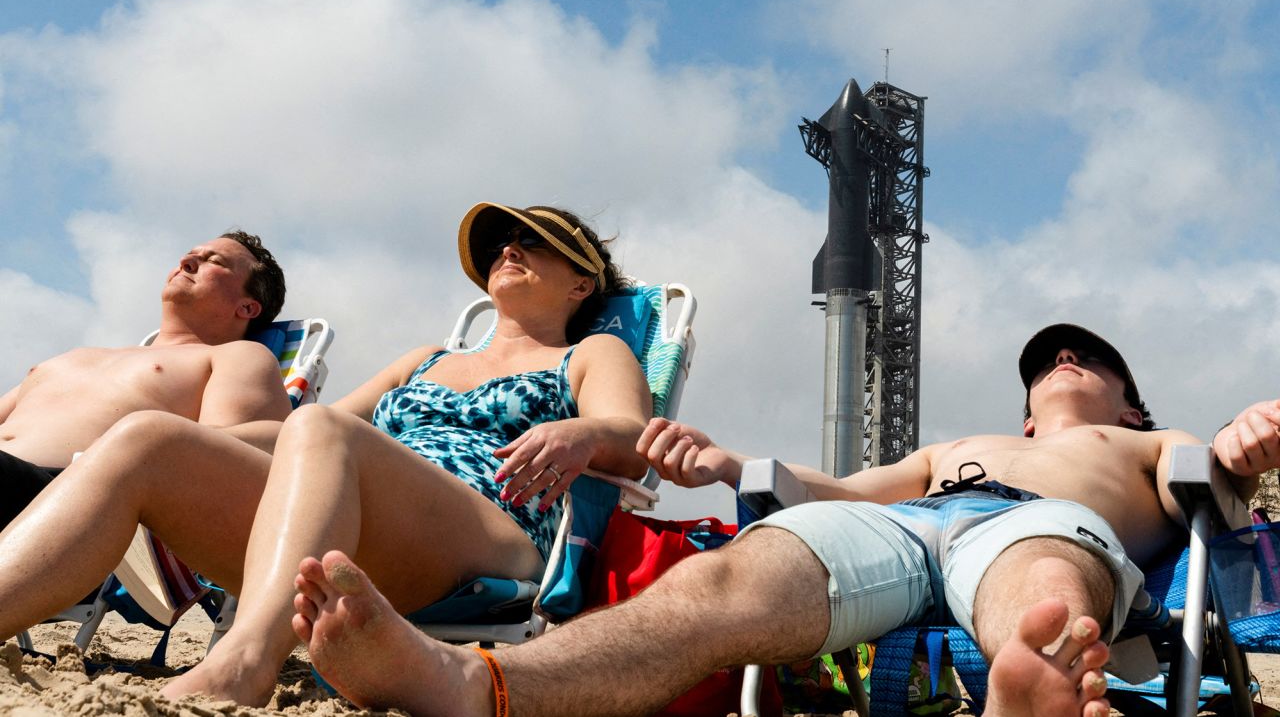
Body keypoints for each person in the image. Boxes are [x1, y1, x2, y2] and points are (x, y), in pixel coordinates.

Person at [290, 322, 1280, 717]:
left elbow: (1225, 482)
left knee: (1039, 580)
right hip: (917, 514)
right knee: (720, 583)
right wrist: (731, 466)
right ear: (1022, 410)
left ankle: (1028, 677)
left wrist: (1244, 440)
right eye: (1045, 363)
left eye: (1086, 358)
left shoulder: (1150, 446)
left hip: (1043, 523)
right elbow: (844, 491)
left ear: (1131, 403)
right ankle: (471, 681)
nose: (1063, 362)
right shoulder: (954, 443)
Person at [0, 202, 651, 709]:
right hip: (371, 523)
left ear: (581, 283)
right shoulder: (425, 360)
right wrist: (186, 452)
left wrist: (587, 433)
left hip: (491, 531)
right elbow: (296, 434)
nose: (510, 248)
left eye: (535, 242)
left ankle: (244, 663)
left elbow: (633, 437)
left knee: (319, 428)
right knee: (148, 437)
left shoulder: (591, 354)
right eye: (503, 242)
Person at [0, 230, 291, 530]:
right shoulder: (80, 354)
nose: (187, 261)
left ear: (247, 307)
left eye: (212, 260)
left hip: (61, 498)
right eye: (190, 254)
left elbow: (227, 459)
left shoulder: (236, 356)